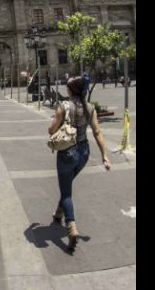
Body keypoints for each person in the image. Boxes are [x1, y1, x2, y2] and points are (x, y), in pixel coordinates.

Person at [47, 76, 111, 252]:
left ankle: (71, 227)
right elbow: (97, 132)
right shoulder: (90, 108)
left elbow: (51, 129)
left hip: (67, 153)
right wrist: (105, 155)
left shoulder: (63, 106)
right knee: (66, 185)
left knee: (66, 192)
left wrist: (55, 126)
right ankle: (58, 214)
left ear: (70, 90)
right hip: (84, 154)